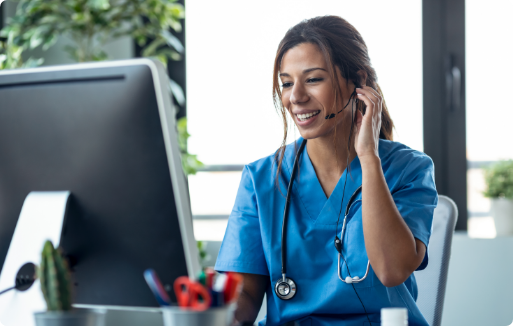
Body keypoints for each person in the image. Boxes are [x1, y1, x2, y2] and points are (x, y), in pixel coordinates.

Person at [215, 15, 437, 326]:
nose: (296, 97)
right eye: (287, 83)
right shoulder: (261, 178)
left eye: (314, 79)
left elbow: (390, 270)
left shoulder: (408, 168)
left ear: (358, 82)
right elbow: (245, 295)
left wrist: (368, 157)